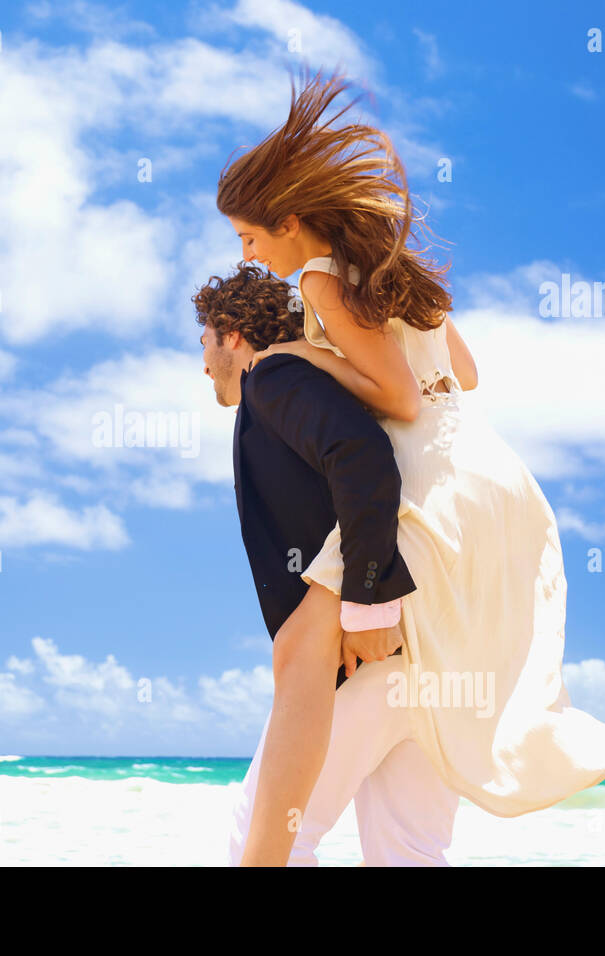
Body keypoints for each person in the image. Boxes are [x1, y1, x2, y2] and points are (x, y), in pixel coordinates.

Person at [212, 66, 605, 866]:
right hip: (493, 474)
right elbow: (465, 376)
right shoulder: (395, 275)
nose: (250, 255)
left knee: (280, 803)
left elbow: (399, 398)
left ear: (287, 220)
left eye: (249, 238)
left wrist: (300, 352)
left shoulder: (319, 280)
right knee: (413, 836)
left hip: (432, 477)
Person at [194, 261, 462, 866]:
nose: (204, 362)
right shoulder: (324, 384)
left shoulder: (275, 378)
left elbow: (362, 459)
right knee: (410, 852)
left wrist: (368, 602)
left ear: (232, 333)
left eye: (205, 343)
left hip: (359, 652)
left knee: (268, 843)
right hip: (427, 650)